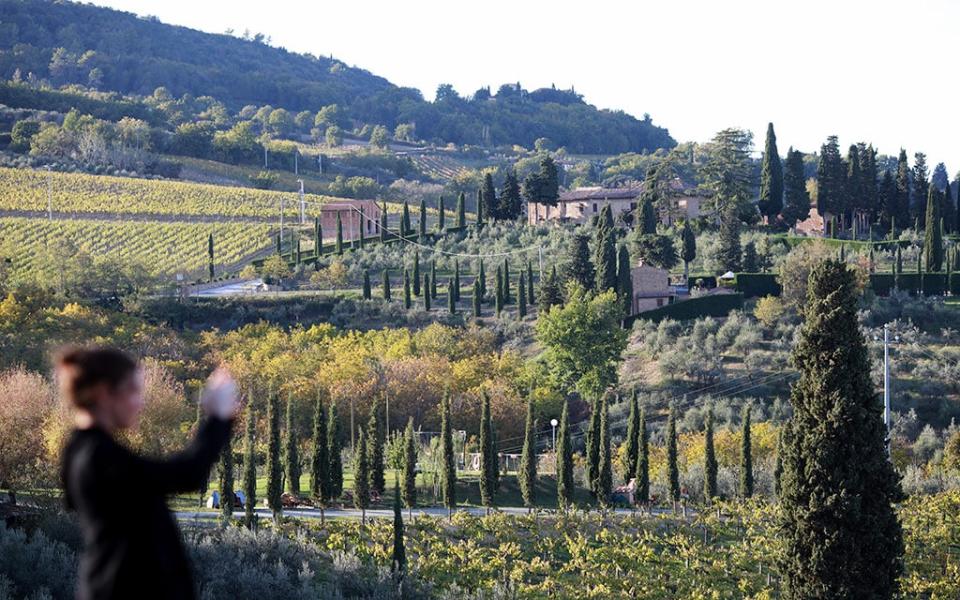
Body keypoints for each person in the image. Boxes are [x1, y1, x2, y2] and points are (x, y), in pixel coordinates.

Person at [59, 347, 239, 600]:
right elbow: (187, 475)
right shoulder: (98, 456)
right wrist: (218, 420)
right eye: (133, 391)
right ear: (103, 393)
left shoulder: (84, 450)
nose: (140, 402)